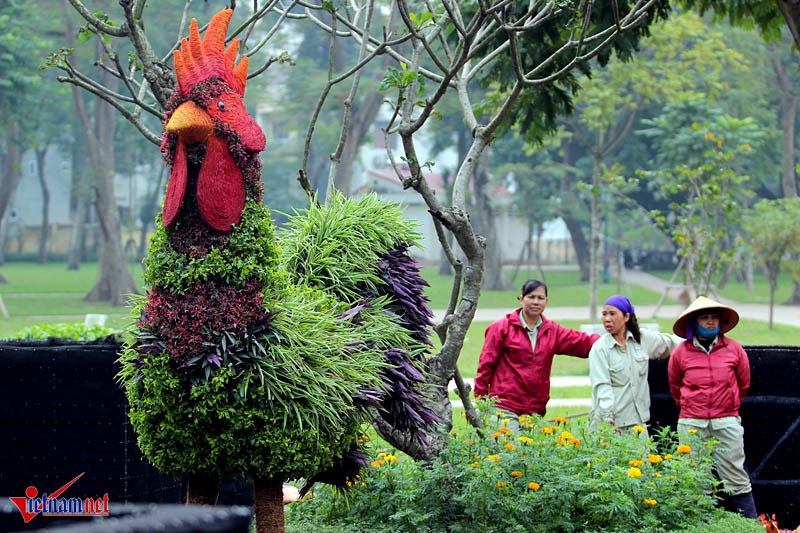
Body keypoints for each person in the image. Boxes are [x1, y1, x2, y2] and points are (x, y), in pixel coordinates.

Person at [668, 296, 757, 518]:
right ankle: (701, 526)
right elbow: (675, 387)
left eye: (714, 318)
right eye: (705, 318)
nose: (710, 322)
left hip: (726, 420)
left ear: (720, 322)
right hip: (692, 422)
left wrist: (728, 404)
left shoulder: (734, 349)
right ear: (694, 322)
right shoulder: (681, 352)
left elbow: (744, 384)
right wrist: (692, 408)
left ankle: (750, 526)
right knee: (697, 479)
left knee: (736, 476)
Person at [474, 279, 600, 429]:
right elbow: (485, 367)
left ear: (546, 302)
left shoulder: (552, 331)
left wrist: (612, 340)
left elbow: (582, 343)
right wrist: (481, 404)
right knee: (512, 449)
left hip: (534, 412)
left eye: (540, 298)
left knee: (530, 452)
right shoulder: (501, 328)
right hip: (503, 407)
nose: (536, 302)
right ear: (521, 299)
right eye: (531, 297)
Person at [589, 295, 681, 433]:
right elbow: (602, 388)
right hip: (611, 426)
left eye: (612, 314)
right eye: (604, 314)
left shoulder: (642, 340)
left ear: (626, 317)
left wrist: (694, 333)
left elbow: (671, 343)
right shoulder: (600, 348)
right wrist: (608, 421)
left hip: (639, 423)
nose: (607, 319)